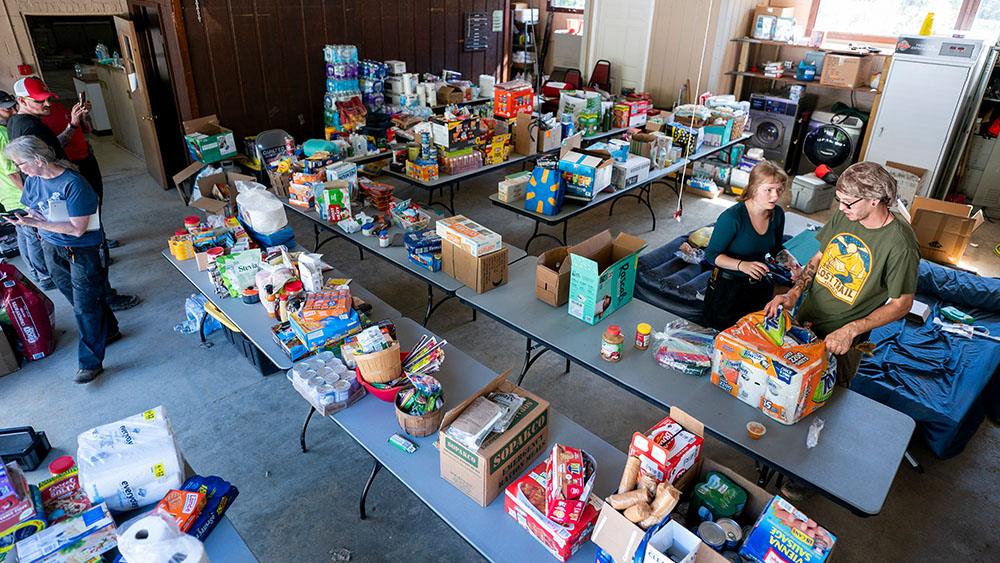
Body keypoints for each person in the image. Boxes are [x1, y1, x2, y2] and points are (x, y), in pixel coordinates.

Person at [763, 162, 919, 500]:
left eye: (848, 202)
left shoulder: (900, 243)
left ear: (875, 199)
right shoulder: (846, 215)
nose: (841, 207)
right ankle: (777, 451)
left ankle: (805, 472)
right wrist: (794, 293)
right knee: (788, 387)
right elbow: (819, 258)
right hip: (806, 320)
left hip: (843, 341)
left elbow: (902, 303)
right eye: (839, 200)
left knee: (824, 405)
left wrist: (852, 329)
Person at [8, 76, 138, 310]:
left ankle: (93, 303)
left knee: (74, 251)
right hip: (62, 195)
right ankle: (104, 299)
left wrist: (74, 124)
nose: (47, 104)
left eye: (48, 99)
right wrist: (75, 185)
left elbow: (51, 152)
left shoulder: (18, 122)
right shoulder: (29, 128)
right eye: (39, 101)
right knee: (87, 246)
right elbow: (44, 163)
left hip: (55, 196)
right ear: (22, 101)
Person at [3, 135, 120, 383]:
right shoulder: (33, 180)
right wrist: (27, 217)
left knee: (84, 306)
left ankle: (89, 363)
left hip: (82, 250)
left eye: (19, 163)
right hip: (52, 246)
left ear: (37, 160)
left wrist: (37, 223)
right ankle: (109, 330)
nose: (17, 168)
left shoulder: (73, 184)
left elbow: (78, 229)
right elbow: (34, 207)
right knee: (81, 299)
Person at [702, 161, 788, 330]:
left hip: (759, 285)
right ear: (754, 188)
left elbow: (776, 248)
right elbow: (711, 255)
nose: (775, 196)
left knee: (752, 333)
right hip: (727, 289)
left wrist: (790, 261)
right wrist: (742, 265)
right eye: (769, 190)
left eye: (779, 190)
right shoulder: (732, 217)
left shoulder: (777, 214)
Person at [0, 91, 53, 289]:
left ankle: (35, 273)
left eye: (13, 107)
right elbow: (12, 172)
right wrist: (31, 197)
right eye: (7, 109)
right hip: (18, 194)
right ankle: (44, 276)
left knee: (23, 233)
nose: (13, 111)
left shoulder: (6, 128)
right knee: (33, 235)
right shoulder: (3, 135)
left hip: (7, 195)